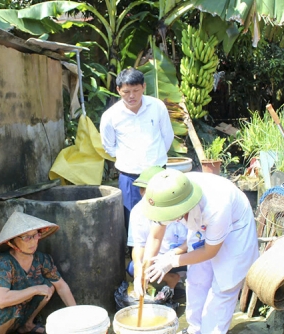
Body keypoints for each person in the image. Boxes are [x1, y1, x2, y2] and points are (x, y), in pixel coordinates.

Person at [136, 169, 259, 334]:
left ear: (179, 210)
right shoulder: (167, 194)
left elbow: (209, 251)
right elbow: (156, 236)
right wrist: (143, 272)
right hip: (202, 225)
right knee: (197, 280)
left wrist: (172, 261)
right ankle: (195, 329)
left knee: (222, 289)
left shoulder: (216, 206)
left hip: (235, 231)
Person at [0, 212, 76, 334]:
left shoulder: (42, 259)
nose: (33, 242)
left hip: (19, 315)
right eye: (26, 237)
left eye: (35, 235)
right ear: (11, 243)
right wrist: (36, 289)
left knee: (48, 286)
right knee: (9, 306)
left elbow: (62, 287)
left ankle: (27, 325)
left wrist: (76, 316)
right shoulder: (4, 264)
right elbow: (1, 301)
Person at [99, 68, 174, 232]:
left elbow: (167, 136)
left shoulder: (157, 107)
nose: (131, 96)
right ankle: (136, 253)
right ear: (118, 90)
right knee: (133, 219)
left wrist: (156, 158)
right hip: (129, 176)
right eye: (126, 92)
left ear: (144, 87)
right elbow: (108, 146)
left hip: (158, 172)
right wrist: (128, 159)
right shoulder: (110, 116)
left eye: (136, 90)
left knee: (162, 215)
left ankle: (161, 251)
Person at [127, 166, 188, 301]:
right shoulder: (137, 212)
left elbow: (194, 242)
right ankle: (171, 280)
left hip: (183, 256)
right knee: (132, 267)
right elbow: (139, 244)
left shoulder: (180, 207)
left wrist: (170, 257)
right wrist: (139, 272)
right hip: (156, 258)